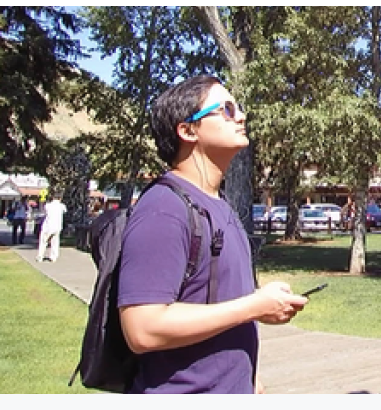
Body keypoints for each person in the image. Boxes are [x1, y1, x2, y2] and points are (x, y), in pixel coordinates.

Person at [117, 75, 307, 394]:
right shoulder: (164, 208)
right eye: (227, 110)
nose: (242, 116)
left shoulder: (219, 204)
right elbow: (143, 330)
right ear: (187, 130)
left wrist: (250, 379)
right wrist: (254, 306)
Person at [36, 194, 67, 262]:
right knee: (55, 242)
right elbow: (65, 211)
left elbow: (44, 212)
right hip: (57, 226)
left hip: (48, 226)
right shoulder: (62, 206)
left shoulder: (48, 205)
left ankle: (40, 256)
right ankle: (53, 257)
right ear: (60, 198)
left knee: (43, 242)